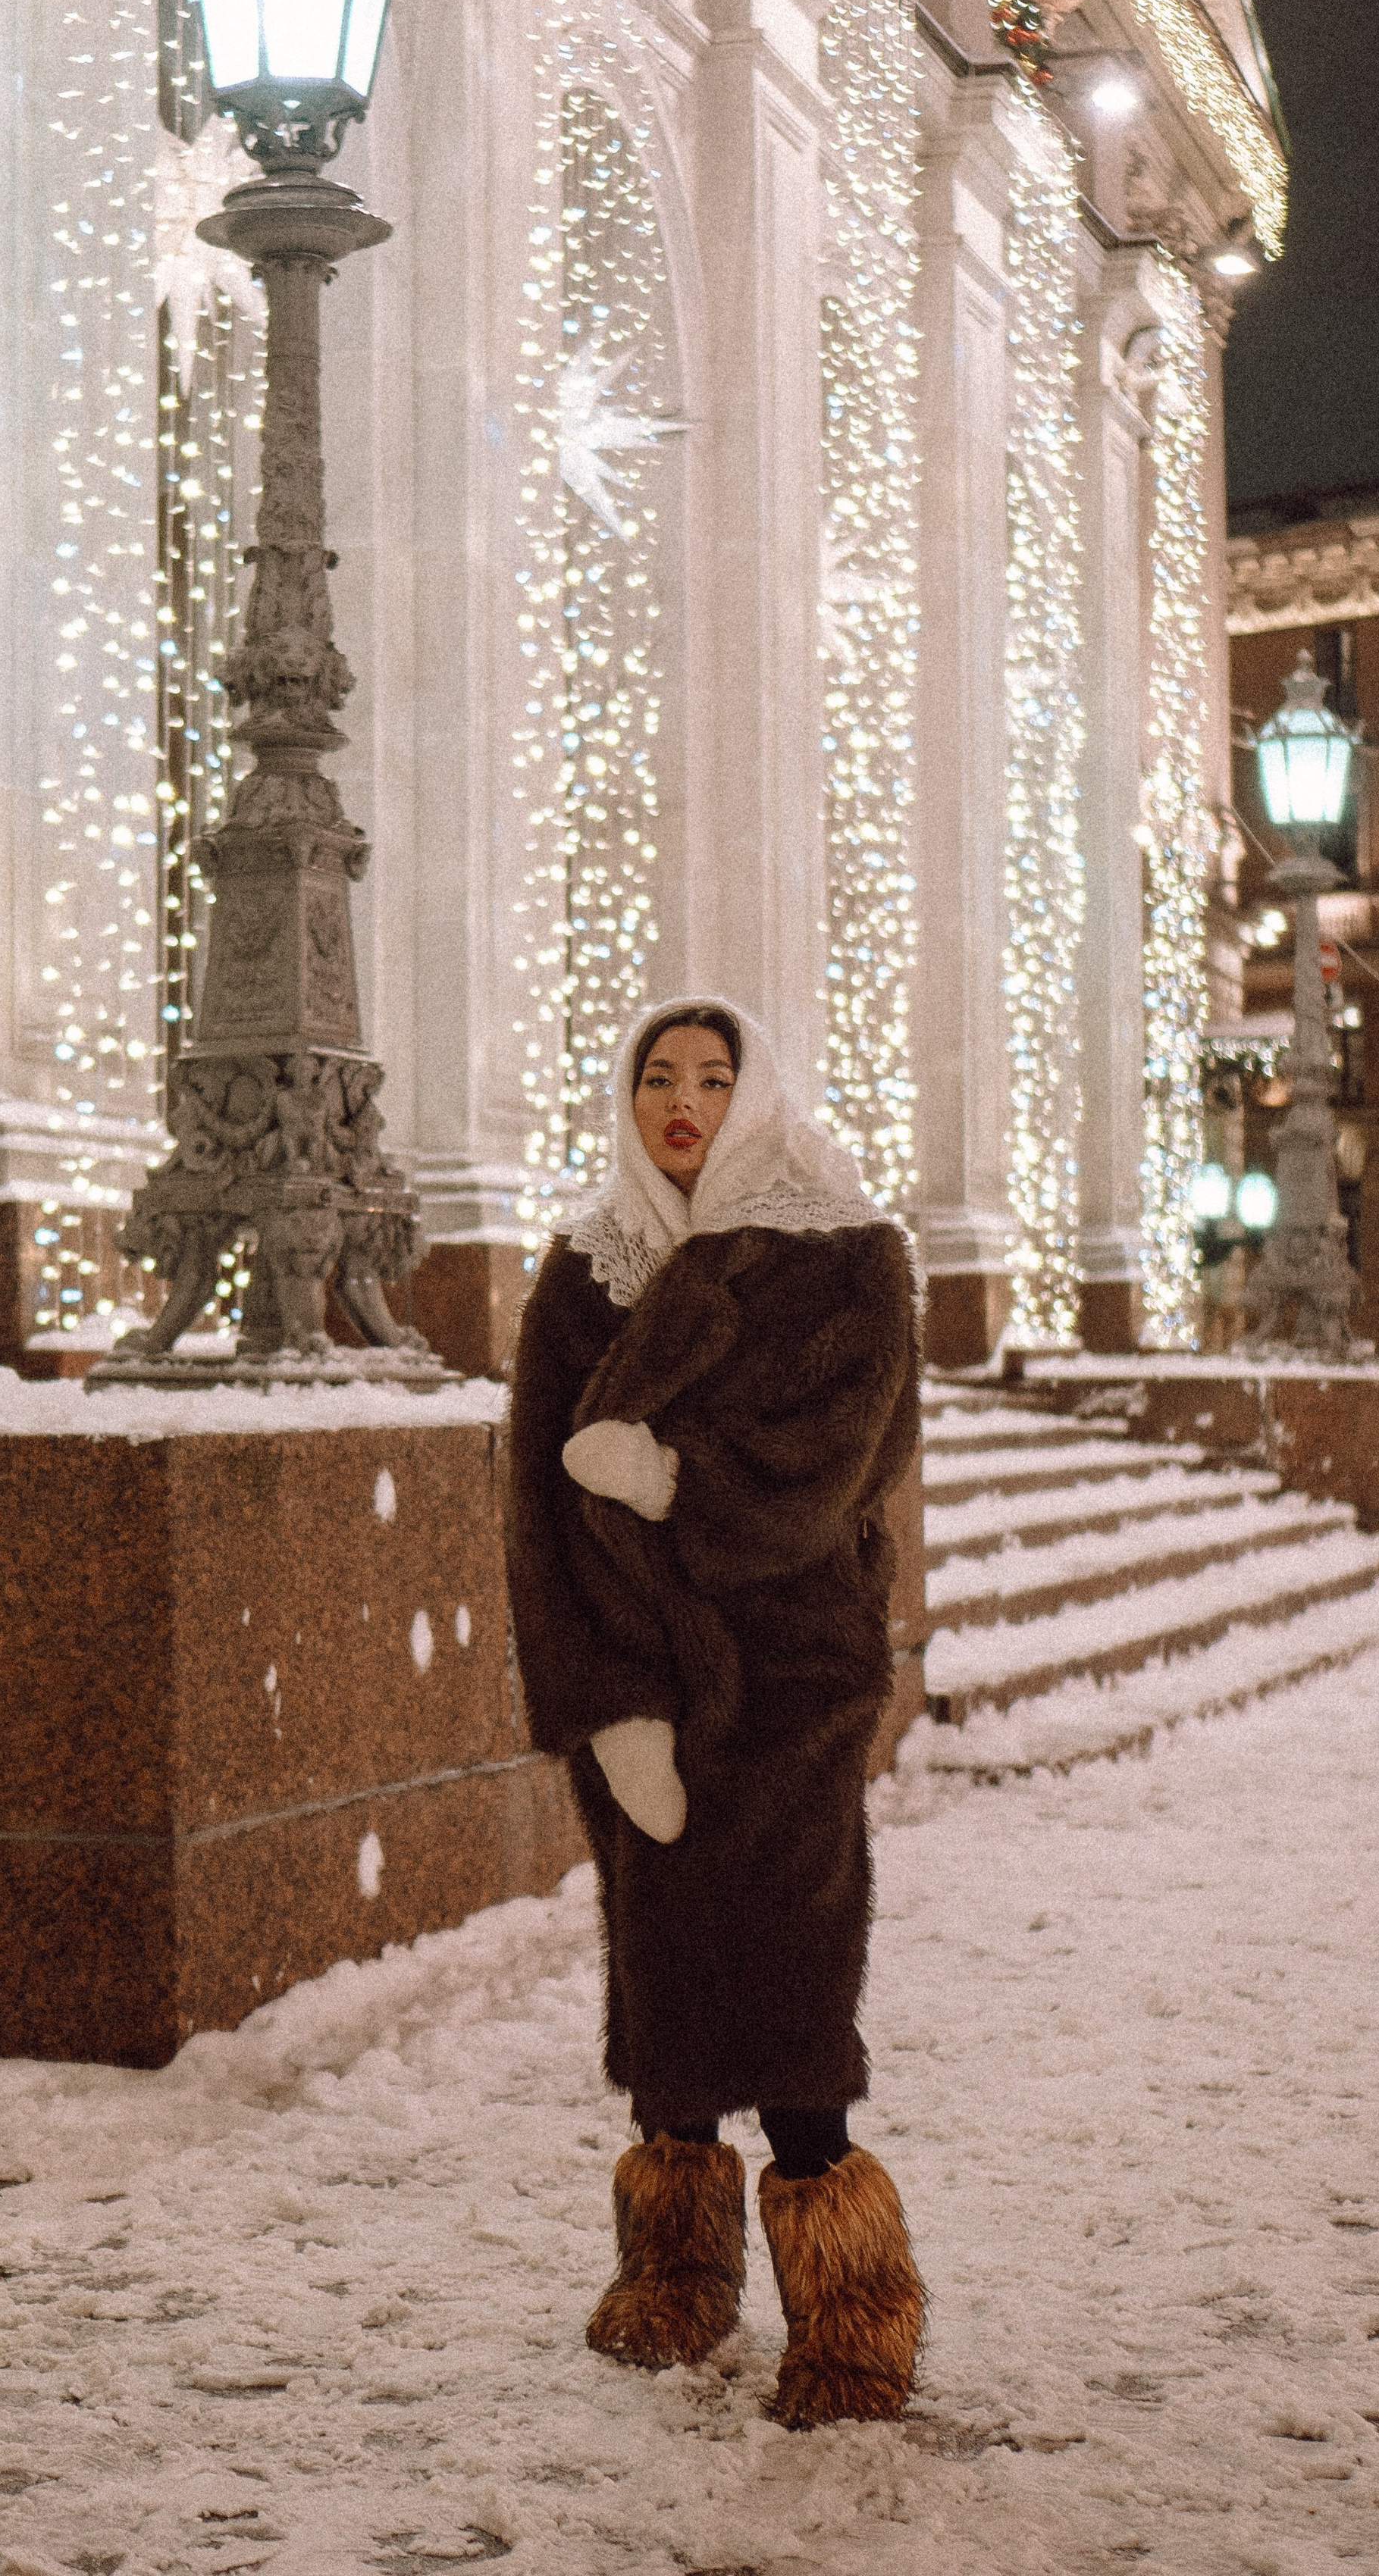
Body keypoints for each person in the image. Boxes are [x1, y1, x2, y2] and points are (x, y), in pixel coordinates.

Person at [504, 997, 924, 2426]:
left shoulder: (848, 1257)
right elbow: (532, 1520)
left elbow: (841, 1464)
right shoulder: (585, 1274)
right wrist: (605, 1707)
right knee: (668, 1986)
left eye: (712, 1078)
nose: (680, 1103)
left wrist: (676, 1482)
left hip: (794, 1675)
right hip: (642, 1679)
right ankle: (675, 2279)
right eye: (656, 1078)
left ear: (755, 1097)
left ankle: (852, 2317)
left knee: (798, 1999)